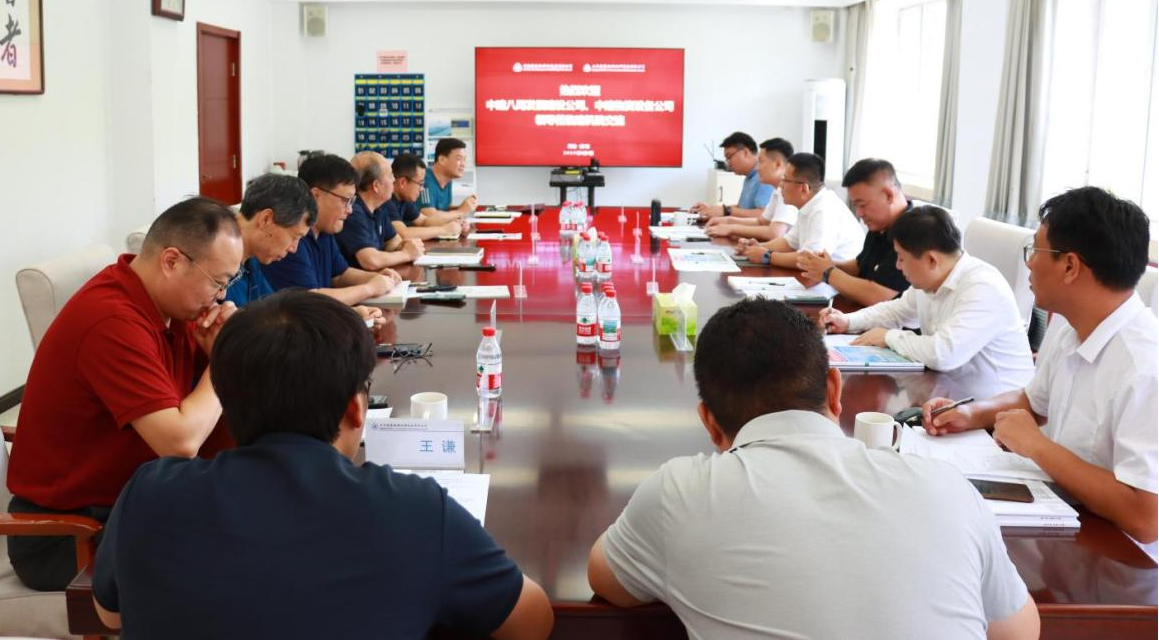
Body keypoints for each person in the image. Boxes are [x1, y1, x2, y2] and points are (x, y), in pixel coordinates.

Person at [92, 291, 554, 639]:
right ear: (356, 409)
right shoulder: (415, 510)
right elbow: (532, 622)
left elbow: (110, 615)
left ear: (226, 407)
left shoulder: (149, 492)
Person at [587, 298, 1040, 639]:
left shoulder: (679, 494)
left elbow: (608, 580)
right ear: (834, 388)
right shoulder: (946, 488)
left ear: (708, 422)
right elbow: (1019, 631)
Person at [6, 197, 243, 591]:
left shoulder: (169, 307)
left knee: (260, 520)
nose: (220, 297)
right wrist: (222, 362)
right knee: (240, 565)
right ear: (171, 261)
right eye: (217, 282)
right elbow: (180, 442)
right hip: (68, 535)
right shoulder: (111, 320)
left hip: (134, 502)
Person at [924, 187, 1157, 556]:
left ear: (1070, 266)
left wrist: (1037, 446)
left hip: (1120, 560)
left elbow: (1145, 518)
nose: (1029, 264)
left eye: (1035, 251)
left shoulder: (1145, 367)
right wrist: (969, 413)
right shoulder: (1069, 326)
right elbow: (1033, 402)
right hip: (1064, 521)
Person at [821, 205, 1035, 398]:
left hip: (995, 410)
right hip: (948, 395)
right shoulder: (930, 280)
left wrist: (888, 336)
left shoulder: (982, 287)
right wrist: (848, 321)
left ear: (931, 260)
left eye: (901, 258)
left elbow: (943, 353)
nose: (897, 266)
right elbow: (896, 311)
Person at [261, 154, 399, 319]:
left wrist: (377, 278)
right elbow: (309, 299)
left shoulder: (325, 230)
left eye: (352, 202)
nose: (350, 210)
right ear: (315, 196)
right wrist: (369, 288)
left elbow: (340, 275)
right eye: (345, 200)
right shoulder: (290, 236)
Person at [797, 158, 915, 306]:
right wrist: (826, 264)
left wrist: (828, 272)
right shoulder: (880, 224)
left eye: (863, 205)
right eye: (856, 206)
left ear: (888, 195)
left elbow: (878, 295)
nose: (859, 213)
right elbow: (860, 266)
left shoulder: (913, 232)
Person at [737, 152, 864, 268]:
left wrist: (767, 256)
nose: (780, 185)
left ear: (804, 188)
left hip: (835, 282)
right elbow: (789, 243)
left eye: (785, 180)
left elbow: (811, 260)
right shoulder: (809, 205)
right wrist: (757, 247)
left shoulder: (824, 210)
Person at [224, 173, 315, 307]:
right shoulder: (215, 261)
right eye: (294, 238)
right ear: (266, 219)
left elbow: (271, 309)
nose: (294, 249)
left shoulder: (251, 260)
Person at [336, 151, 424, 270]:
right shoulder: (353, 211)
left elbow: (393, 242)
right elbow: (371, 260)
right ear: (376, 186)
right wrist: (406, 254)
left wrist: (405, 246)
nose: (394, 180)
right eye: (390, 175)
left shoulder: (379, 208)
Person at [704, 137, 797, 241]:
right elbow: (761, 222)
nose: (757, 168)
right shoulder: (778, 191)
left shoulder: (790, 192)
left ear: (778, 164)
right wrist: (727, 221)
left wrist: (731, 228)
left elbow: (775, 233)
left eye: (761, 162)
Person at [690, 132, 773, 219]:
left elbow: (764, 215)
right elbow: (742, 208)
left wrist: (726, 211)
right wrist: (710, 209)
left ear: (745, 152)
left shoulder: (765, 176)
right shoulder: (749, 177)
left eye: (729, 157)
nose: (728, 164)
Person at [383, 153, 464, 241]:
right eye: (420, 184)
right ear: (403, 182)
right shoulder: (386, 200)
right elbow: (403, 234)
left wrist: (452, 222)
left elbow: (424, 221)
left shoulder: (404, 199)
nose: (422, 189)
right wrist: (444, 230)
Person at [419, 137, 478, 221]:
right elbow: (430, 217)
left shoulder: (448, 179)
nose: (463, 164)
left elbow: (444, 209)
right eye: (459, 159)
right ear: (442, 160)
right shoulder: (424, 179)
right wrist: (460, 211)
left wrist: (464, 207)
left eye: (464, 159)